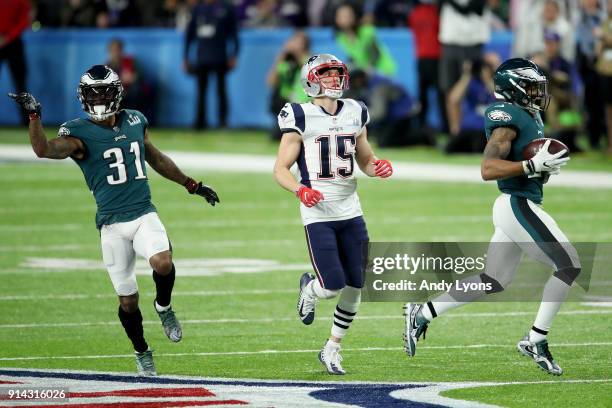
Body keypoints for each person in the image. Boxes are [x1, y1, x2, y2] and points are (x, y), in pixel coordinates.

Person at [8, 65, 220, 376]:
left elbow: (157, 158)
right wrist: (35, 117)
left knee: (162, 261)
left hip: (143, 212)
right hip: (111, 225)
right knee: (128, 301)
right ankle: (142, 351)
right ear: (83, 96)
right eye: (92, 93)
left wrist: (193, 185)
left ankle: (164, 307)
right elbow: (44, 150)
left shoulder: (135, 119)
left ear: (116, 92)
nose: (97, 98)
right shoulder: (78, 131)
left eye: (102, 91)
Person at [403, 58, 579, 376]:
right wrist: (531, 166)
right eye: (530, 87)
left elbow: (531, 165)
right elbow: (488, 168)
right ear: (513, 88)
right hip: (516, 204)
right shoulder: (506, 117)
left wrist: (543, 167)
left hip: (519, 202)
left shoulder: (529, 114)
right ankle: (535, 340)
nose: (537, 93)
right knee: (568, 265)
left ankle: (423, 311)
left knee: (493, 280)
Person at [273, 54, 393, 375]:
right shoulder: (299, 115)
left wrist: (376, 166)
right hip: (318, 213)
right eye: (326, 75)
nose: (334, 80)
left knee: (357, 283)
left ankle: (332, 347)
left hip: (350, 210)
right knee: (331, 285)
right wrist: (300, 190)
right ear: (311, 80)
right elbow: (280, 169)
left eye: (337, 74)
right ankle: (308, 290)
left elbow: (365, 158)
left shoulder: (355, 110)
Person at [184, 0, 239, 129]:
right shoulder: (198, 9)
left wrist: (234, 55)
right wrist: (185, 57)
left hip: (220, 56)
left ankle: (222, 121)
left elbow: (234, 34)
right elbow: (189, 34)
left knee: (221, 90)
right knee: (201, 91)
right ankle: (200, 121)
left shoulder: (226, 8)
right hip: (202, 57)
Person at [1, 0, 30, 125]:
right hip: (11, 41)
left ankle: (26, 121)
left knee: (20, 84)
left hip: (13, 44)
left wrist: (8, 37)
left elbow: (24, 20)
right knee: (20, 84)